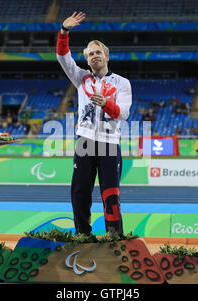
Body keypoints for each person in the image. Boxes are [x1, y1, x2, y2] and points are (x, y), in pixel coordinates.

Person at [56, 12, 132, 236]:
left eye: (98, 52)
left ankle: (114, 236)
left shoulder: (122, 83)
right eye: (90, 54)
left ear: (106, 56)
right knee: (80, 192)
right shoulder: (81, 78)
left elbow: (124, 113)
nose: (94, 56)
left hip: (109, 142)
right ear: (87, 60)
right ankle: (82, 235)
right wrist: (64, 31)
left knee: (111, 194)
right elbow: (63, 57)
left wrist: (107, 104)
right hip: (85, 141)